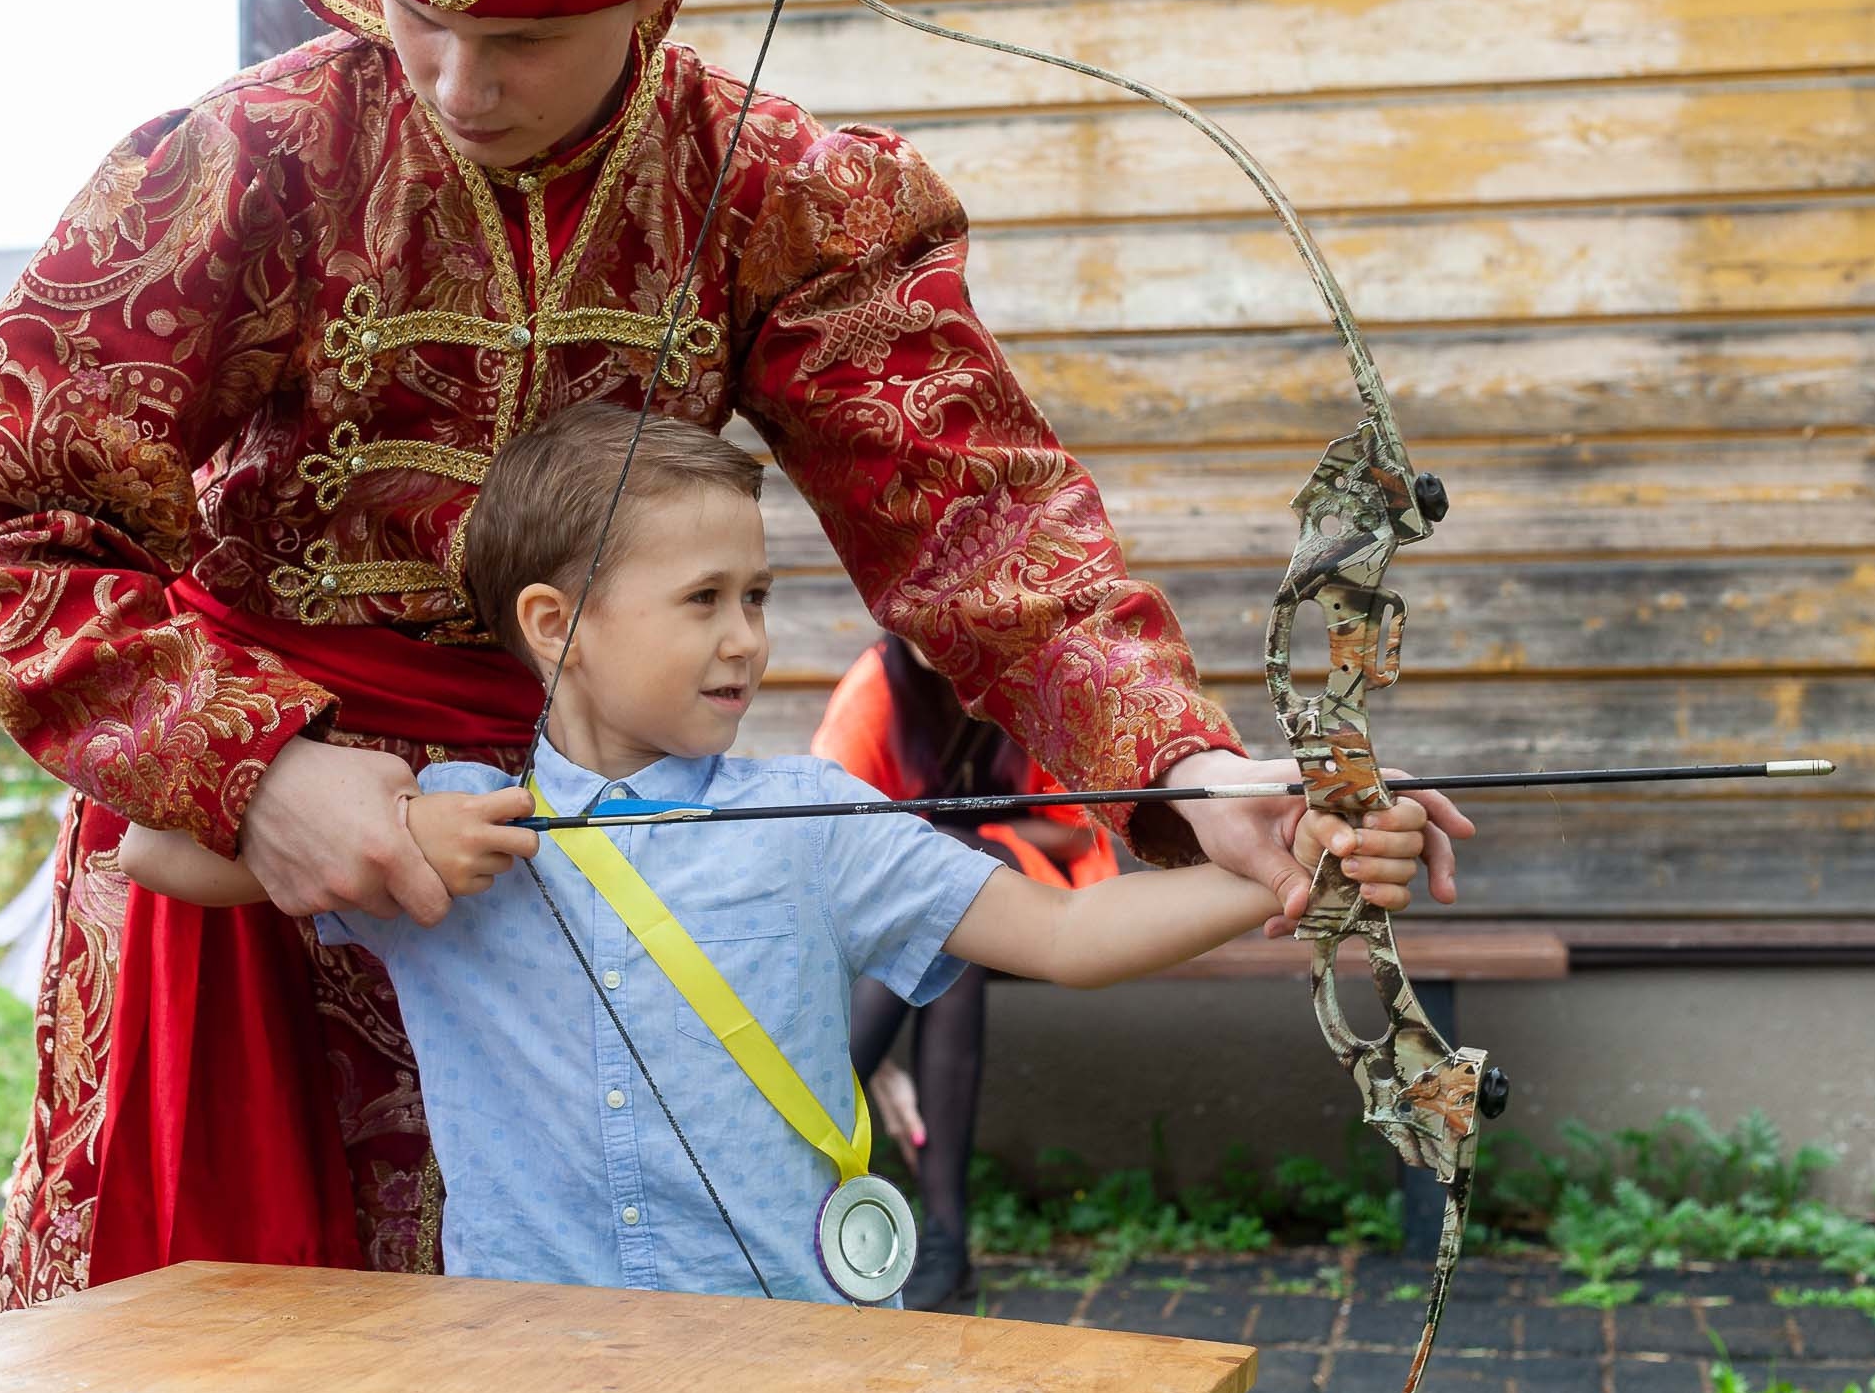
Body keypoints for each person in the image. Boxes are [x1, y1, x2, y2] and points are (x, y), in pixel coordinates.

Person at [0, 0, 1470, 1308]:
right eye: (414, 15)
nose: (456, 83)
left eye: (521, 38)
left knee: (582, 1357)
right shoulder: (242, 164)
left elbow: (979, 518)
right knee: (224, 1383)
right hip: (259, 858)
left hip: (582, 863)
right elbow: (1, 526)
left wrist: (1184, 772)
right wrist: (252, 771)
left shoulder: (778, 192)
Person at [119, 403, 1432, 1302]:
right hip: (517, 1366)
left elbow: (1066, 937)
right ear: (554, 622)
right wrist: (388, 820)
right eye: (704, 601)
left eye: (758, 594)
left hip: (776, 1355)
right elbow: (152, 855)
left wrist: (1285, 867)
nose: (747, 637)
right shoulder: (460, 824)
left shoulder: (816, 812)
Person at [812, 634, 1118, 1308]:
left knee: (951, 878)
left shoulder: (1034, 679)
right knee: (954, 927)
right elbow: (832, 830)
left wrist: (950, 842)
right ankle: (949, 1240)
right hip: (922, 912)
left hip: (1045, 891)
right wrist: (939, 855)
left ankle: (808, 1114)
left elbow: (1076, 828)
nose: (932, 618)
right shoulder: (879, 684)